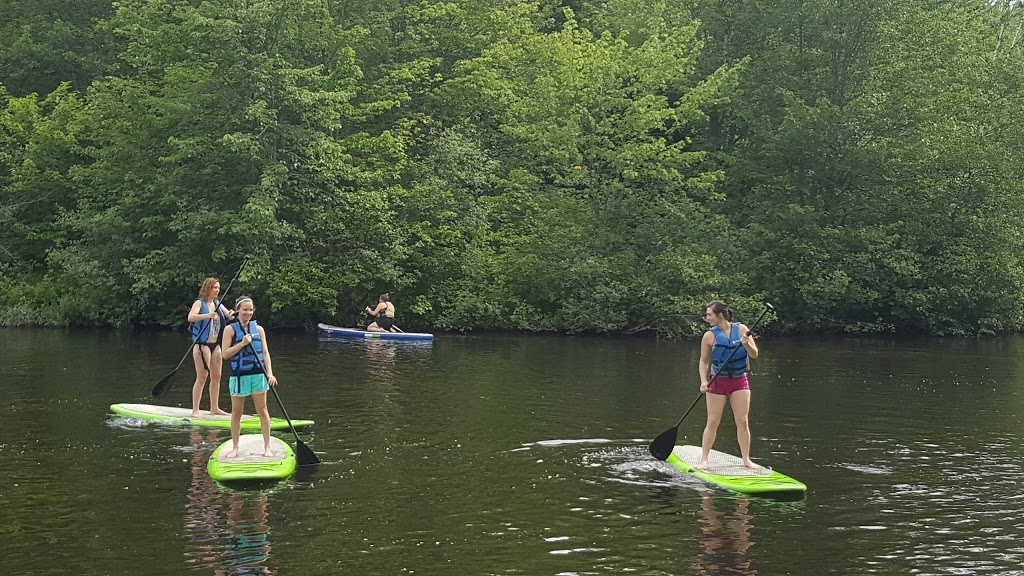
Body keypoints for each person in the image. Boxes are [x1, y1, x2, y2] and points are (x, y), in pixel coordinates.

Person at [698, 300, 760, 470]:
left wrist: (746, 343)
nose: (707, 318)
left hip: (739, 380)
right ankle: (704, 460)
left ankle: (746, 459)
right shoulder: (709, 336)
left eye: (709, 314)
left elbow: (754, 355)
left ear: (720, 315)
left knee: (742, 421)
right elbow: (703, 362)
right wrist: (703, 381)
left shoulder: (741, 330)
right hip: (717, 381)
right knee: (713, 421)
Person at [221, 295, 277, 458]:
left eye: (251, 310)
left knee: (263, 411)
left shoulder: (259, 329)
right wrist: (242, 343)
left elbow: (265, 353)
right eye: (245, 309)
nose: (248, 313)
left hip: (258, 375)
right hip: (239, 376)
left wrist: (270, 373)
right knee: (237, 412)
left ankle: (267, 447)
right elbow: (225, 354)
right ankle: (235, 447)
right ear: (238, 310)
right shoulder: (229, 330)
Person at [187, 277, 236, 417]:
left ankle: (214, 407)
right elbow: (191, 317)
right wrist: (207, 315)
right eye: (215, 288)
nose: (217, 291)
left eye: (219, 288)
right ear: (208, 288)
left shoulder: (218, 303)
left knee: (217, 376)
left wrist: (232, 314)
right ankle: (195, 409)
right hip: (202, 346)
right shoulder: (199, 303)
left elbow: (228, 315)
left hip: (215, 344)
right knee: (202, 376)